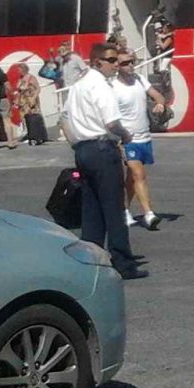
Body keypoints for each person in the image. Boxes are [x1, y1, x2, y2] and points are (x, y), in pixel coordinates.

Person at [61, 41, 145, 278]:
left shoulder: (78, 86)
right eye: (111, 61)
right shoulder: (101, 86)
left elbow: (64, 117)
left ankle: (90, 260)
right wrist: (127, 136)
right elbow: (112, 123)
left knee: (92, 209)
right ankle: (123, 263)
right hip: (102, 148)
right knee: (114, 208)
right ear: (97, 62)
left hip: (83, 149)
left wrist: (76, 143)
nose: (116, 66)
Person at [112, 49, 165, 230]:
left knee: (131, 178)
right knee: (139, 175)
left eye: (132, 61)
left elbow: (158, 95)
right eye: (125, 63)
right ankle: (148, 214)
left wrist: (159, 103)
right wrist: (118, 139)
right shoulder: (113, 88)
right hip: (127, 138)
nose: (130, 65)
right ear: (117, 66)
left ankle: (124, 210)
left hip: (144, 136)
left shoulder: (141, 80)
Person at [16, 62, 48, 145]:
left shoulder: (31, 78)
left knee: (33, 117)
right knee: (25, 118)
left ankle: (36, 135)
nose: (18, 71)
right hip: (23, 101)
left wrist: (34, 98)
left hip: (30, 99)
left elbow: (37, 88)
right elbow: (19, 90)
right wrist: (17, 100)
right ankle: (29, 134)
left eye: (19, 70)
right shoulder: (20, 79)